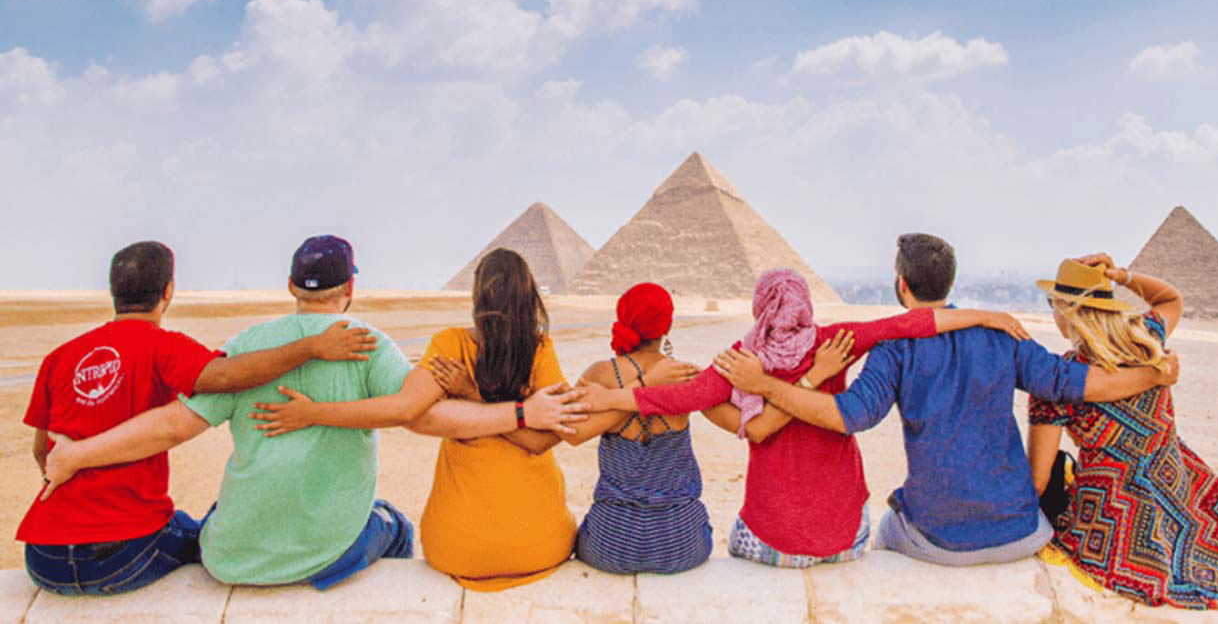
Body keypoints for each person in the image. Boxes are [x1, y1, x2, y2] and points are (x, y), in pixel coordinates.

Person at [716, 234, 1181, 567]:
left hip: (938, 541)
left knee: (881, 533)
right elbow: (1077, 383)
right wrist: (1151, 373)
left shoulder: (896, 349)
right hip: (1021, 532)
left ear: (902, 285)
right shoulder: (1002, 334)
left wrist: (768, 386)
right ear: (950, 283)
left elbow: (848, 417)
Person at [580, 267, 1034, 568]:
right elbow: (908, 324)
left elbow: (678, 400)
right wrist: (984, 315)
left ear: (761, 307)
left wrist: (610, 399)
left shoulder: (741, 361)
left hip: (770, 541)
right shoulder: (836, 341)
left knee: (737, 536)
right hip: (845, 538)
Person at [20, 240, 377, 596]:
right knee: (210, 532)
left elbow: (42, 451)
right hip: (124, 554)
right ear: (168, 290)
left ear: (114, 291)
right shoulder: (165, 347)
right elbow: (224, 376)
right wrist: (312, 347)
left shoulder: (58, 357)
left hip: (42, 559)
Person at [242, 247, 589, 591]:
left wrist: (473, 394)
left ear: (477, 295)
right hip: (541, 547)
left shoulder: (450, 345)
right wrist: (519, 411)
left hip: (456, 549)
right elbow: (540, 439)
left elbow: (406, 409)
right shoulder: (541, 349)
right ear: (529, 295)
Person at [1028, 254, 1218, 621]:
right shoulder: (1147, 340)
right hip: (1177, 496)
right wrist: (1123, 275)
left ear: (1066, 310)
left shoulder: (1058, 382)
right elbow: (1170, 299)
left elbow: (1038, 479)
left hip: (1115, 525)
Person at [558, 283, 710, 574]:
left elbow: (571, 434)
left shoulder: (600, 374)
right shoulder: (683, 375)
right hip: (680, 543)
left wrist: (617, 398)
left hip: (610, 543)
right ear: (668, 324)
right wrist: (647, 386)